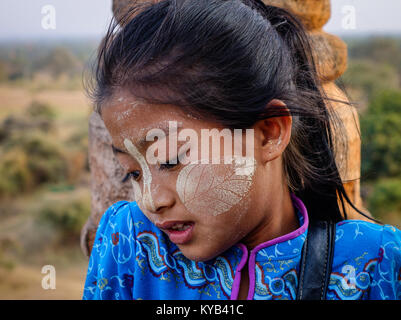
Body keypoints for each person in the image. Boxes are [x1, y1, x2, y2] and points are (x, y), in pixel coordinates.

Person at [82, 0, 401, 300]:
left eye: (171, 159)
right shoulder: (128, 242)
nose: (151, 199)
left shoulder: (376, 263)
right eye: (133, 173)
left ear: (268, 133)